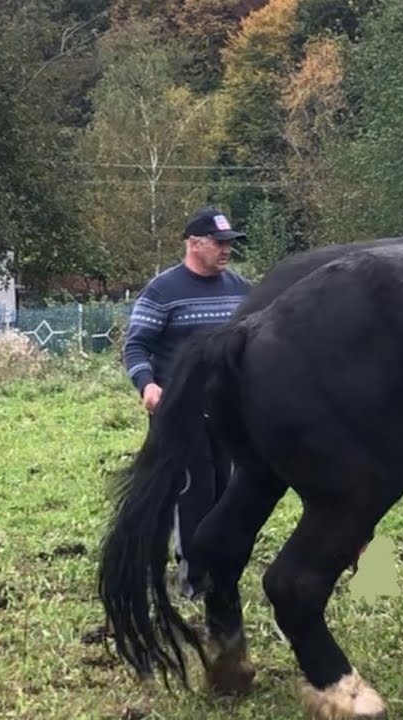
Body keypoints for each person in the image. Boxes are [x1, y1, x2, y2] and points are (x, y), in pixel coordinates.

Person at [121, 206, 253, 600]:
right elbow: (135, 345)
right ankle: (194, 579)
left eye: (230, 243)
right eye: (219, 242)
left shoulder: (241, 289)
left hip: (226, 412)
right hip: (178, 411)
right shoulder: (163, 290)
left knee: (222, 488)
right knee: (191, 491)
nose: (226, 250)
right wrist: (147, 385)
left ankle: (210, 565)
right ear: (193, 244)